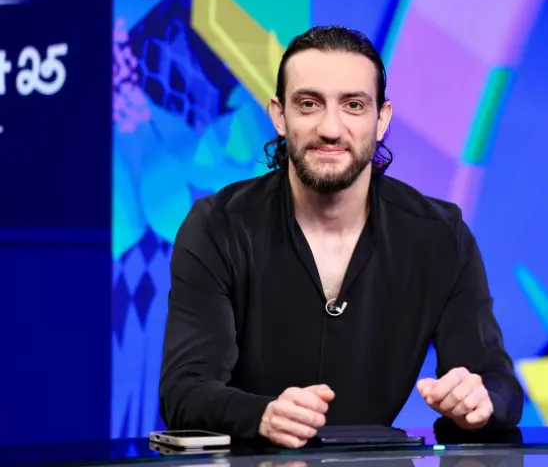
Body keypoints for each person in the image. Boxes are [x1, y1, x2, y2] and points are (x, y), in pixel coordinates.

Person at [159, 25, 524, 448]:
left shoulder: (440, 235)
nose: (331, 128)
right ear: (279, 116)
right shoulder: (217, 227)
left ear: (381, 119)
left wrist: (479, 402)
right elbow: (184, 391)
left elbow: (499, 385)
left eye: (353, 105)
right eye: (309, 104)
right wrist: (261, 415)